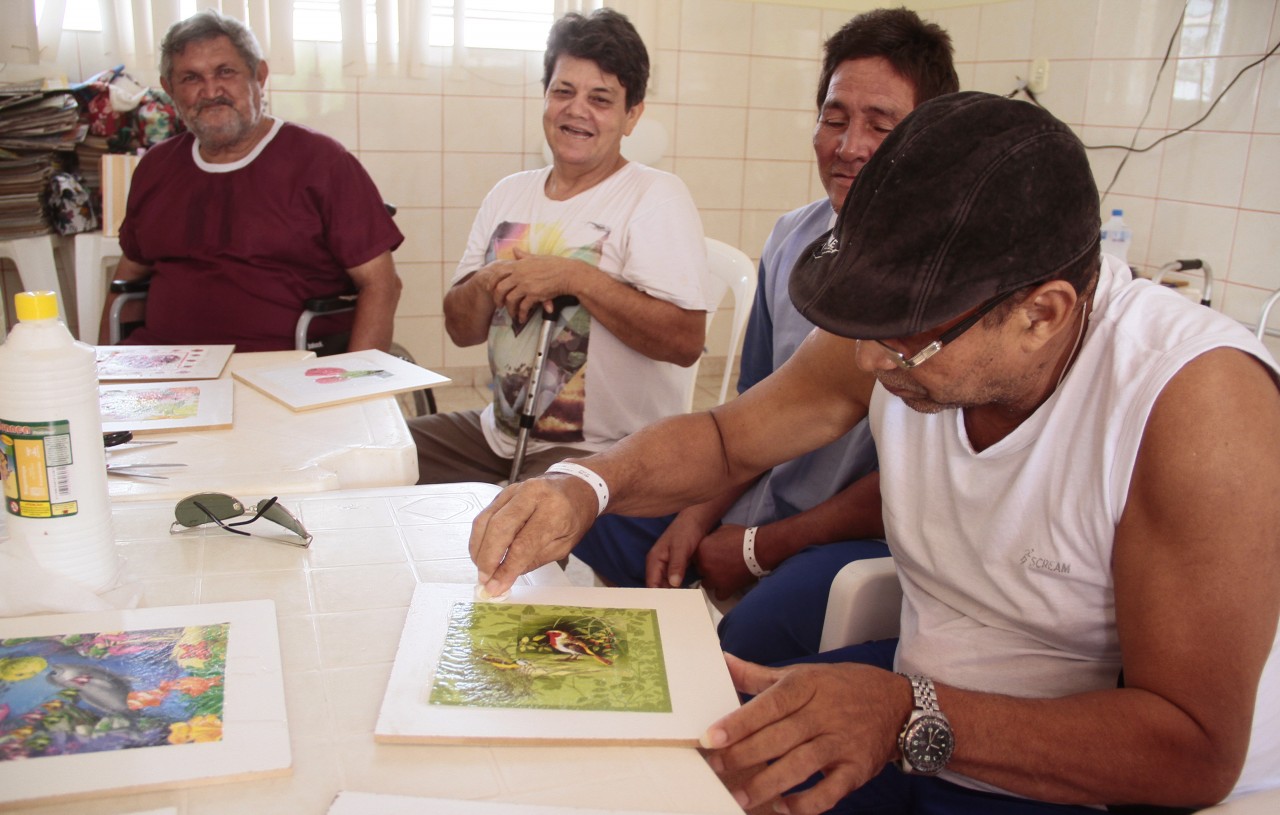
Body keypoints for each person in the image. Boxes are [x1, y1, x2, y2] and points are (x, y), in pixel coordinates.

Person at [467, 92, 1280, 813]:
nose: (868, 369)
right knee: (661, 775)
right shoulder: (907, 334)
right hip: (927, 705)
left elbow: (1194, 748)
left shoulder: (1196, 406)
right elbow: (725, 437)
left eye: (905, 348)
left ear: (1043, 312)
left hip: (1089, 773)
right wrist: (587, 482)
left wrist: (905, 712)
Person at [572, 8, 958, 667]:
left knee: (740, 645)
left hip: (855, 535)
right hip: (764, 499)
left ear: (925, 139)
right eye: (835, 119)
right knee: (592, 529)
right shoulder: (793, 239)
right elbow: (749, 416)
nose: (850, 145)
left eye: (880, 125)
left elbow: (902, 490)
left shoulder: (943, 278)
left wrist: (759, 545)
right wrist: (697, 514)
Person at [409, 8, 708, 485]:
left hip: (602, 454)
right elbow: (461, 329)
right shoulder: (509, 193)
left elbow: (685, 342)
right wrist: (490, 279)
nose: (576, 110)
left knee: (514, 530)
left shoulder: (655, 196)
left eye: (601, 99)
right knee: (376, 459)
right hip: (495, 436)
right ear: (544, 97)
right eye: (563, 91)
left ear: (632, 116)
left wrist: (575, 277)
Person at [103, 9, 403, 353]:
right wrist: (100, 373)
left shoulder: (321, 162)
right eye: (191, 78)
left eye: (225, 72)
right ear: (170, 89)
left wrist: (357, 385)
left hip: (285, 368)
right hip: (167, 368)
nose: (210, 90)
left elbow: (382, 285)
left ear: (259, 76)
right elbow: (125, 280)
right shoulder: (157, 166)